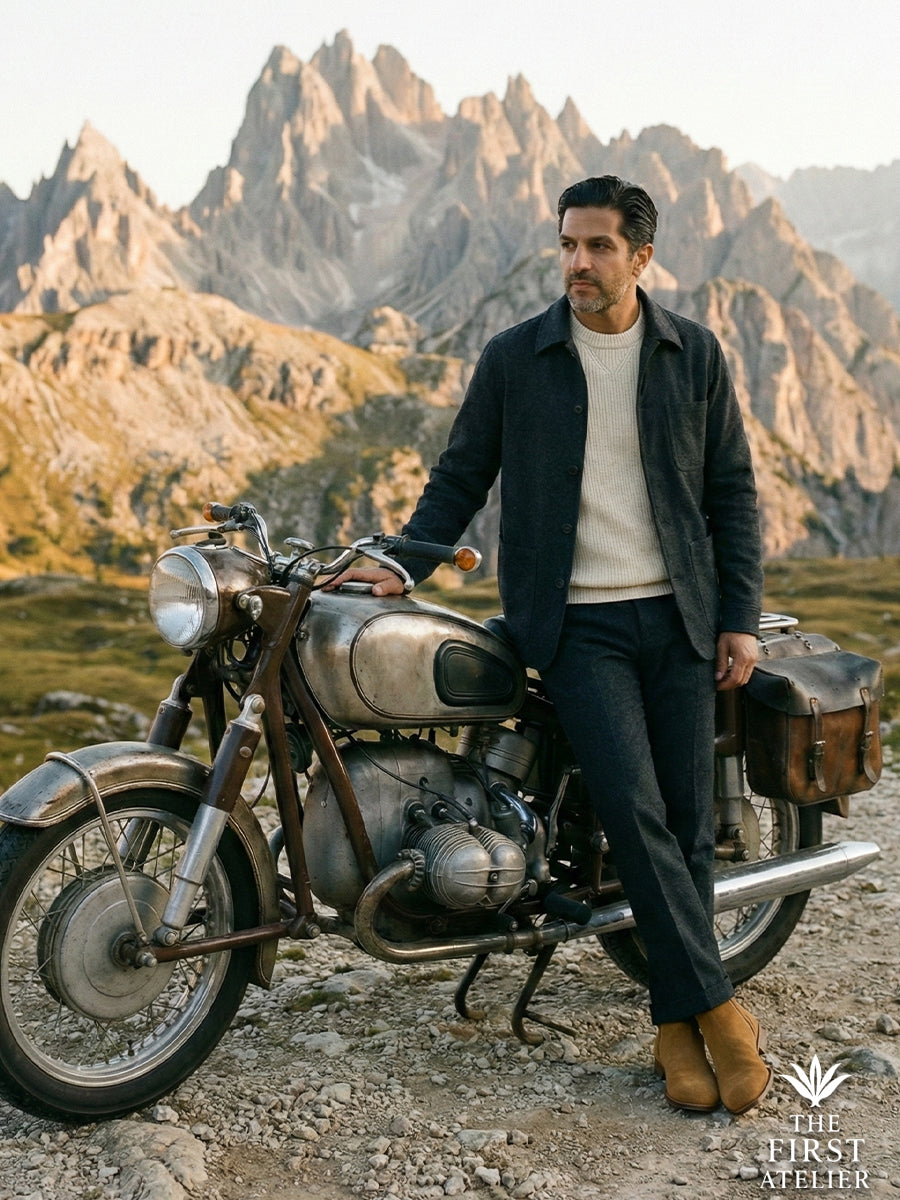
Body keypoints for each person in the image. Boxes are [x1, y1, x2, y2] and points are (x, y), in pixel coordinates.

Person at [332, 175, 771, 1115]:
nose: (578, 262)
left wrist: (739, 613)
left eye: (599, 246)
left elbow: (732, 491)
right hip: (578, 629)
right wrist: (403, 566)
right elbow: (461, 474)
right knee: (638, 814)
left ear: (642, 257)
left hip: (684, 620)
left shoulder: (693, 354)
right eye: (568, 244)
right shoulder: (515, 357)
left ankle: (670, 1020)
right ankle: (720, 1013)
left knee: (689, 827)